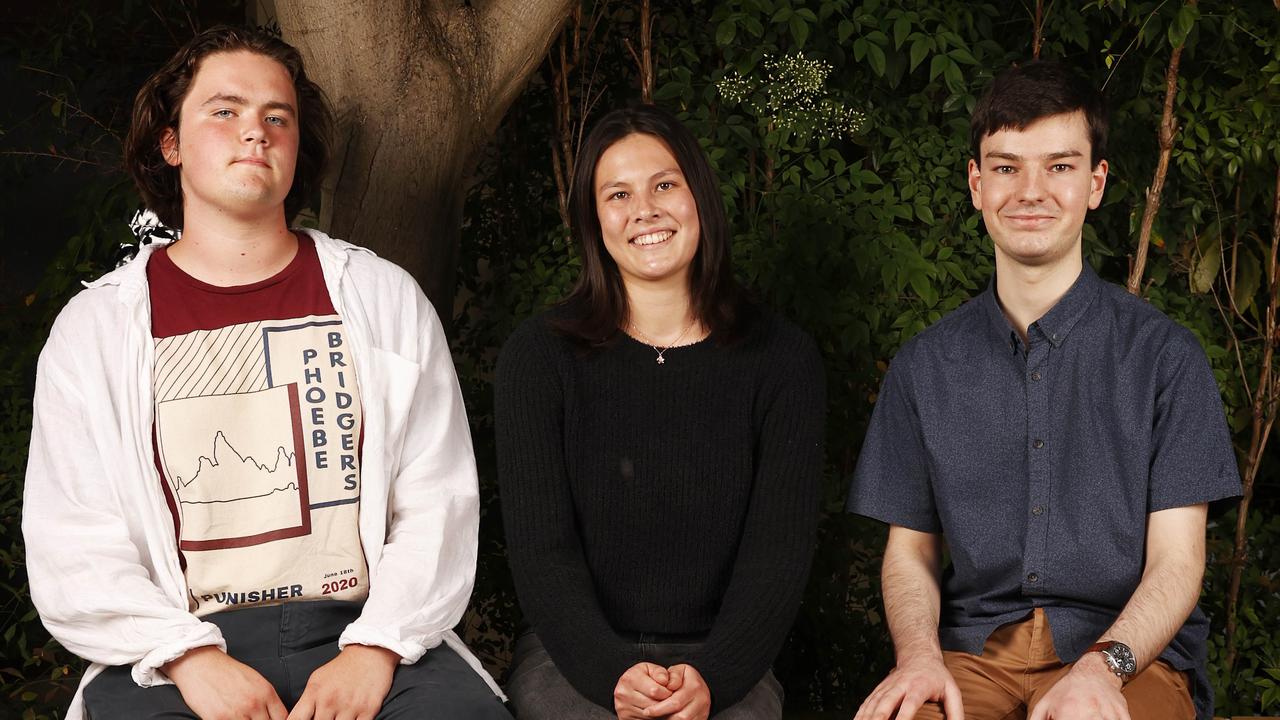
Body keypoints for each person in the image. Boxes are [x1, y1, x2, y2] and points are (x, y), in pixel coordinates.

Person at [22, 25, 510, 720]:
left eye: (276, 117)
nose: (256, 131)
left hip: (366, 632)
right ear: (171, 144)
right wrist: (190, 659)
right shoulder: (96, 331)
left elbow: (437, 501)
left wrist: (373, 652)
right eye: (225, 112)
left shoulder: (381, 298)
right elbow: (73, 539)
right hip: (184, 650)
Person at [847, 60, 1240, 720]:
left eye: (1059, 166)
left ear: (1096, 183)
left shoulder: (1166, 358)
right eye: (1005, 167)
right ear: (976, 184)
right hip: (973, 659)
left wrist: (1102, 669)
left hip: (1126, 661)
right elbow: (908, 553)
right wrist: (917, 655)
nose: (1030, 190)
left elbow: (1178, 563)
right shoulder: (924, 366)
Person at [494, 104, 826, 720]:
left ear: (699, 196)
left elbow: (777, 554)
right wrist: (610, 673)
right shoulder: (540, 358)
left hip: (726, 660)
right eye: (618, 193)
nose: (644, 210)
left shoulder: (780, 359)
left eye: (665, 185)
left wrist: (715, 676)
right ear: (595, 221)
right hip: (575, 658)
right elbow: (543, 554)